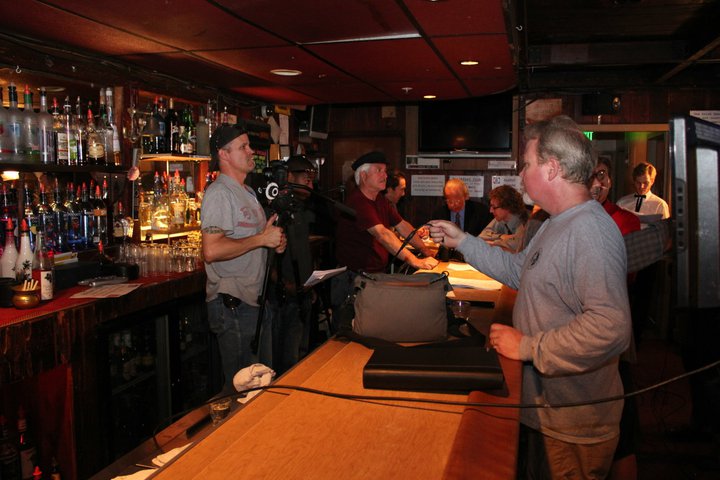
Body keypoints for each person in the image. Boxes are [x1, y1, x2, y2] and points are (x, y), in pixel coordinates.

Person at [429, 115, 631, 479]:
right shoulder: (556, 222)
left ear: (552, 168)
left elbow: (611, 328)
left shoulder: (588, 230)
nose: (521, 173)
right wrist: (462, 242)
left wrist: (529, 347)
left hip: (572, 424)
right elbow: (521, 271)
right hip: (548, 413)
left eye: (527, 163)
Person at [202, 124, 287, 393]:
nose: (251, 151)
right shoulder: (219, 194)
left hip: (255, 302)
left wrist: (272, 241)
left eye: (249, 146)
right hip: (233, 306)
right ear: (224, 155)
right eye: (243, 147)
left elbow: (253, 241)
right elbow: (212, 251)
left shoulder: (248, 193)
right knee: (241, 389)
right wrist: (262, 239)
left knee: (262, 385)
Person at [332, 151, 438, 309]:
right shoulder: (358, 201)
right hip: (353, 279)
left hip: (373, 276)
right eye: (378, 170)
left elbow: (402, 226)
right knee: (350, 330)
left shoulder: (380, 199)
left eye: (385, 171)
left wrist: (425, 250)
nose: (385, 175)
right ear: (363, 175)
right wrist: (414, 260)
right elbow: (382, 234)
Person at [590, 158, 642, 480]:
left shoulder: (624, 219)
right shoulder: (561, 217)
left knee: (623, 416)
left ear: (609, 180)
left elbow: (628, 273)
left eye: (603, 174)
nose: (597, 182)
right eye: (590, 175)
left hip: (612, 327)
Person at [268, 155, 318, 375]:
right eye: (304, 178)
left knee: (303, 356)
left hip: (304, 291)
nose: (310, 184)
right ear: (288, 177)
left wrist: (311, 284)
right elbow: (266, 259)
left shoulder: (301, 209)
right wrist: (282, 283)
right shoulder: (275, 211)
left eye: (311, 179)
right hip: (283, 297)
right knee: (286, 361)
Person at [479, 184, 529, 252]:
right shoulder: (500, 219)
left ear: (507, 207)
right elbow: (481, 236)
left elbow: (515, 247)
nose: (491, 211)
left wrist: (494, 243)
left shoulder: (524, 221)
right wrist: (500, 236)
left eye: (494, 207)